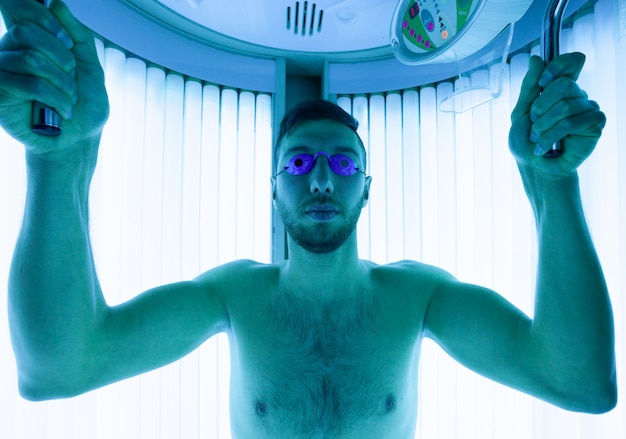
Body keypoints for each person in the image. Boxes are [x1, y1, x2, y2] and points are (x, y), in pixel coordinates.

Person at [0, 1, 617, 438]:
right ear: (274, 190)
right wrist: (57, 160)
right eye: (298, 162)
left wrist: (554, 184)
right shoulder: (233, 296)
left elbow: (581, 383)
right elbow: (57, 368)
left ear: (367, 190)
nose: (321, 178)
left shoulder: (418, 298)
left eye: (342, 164)